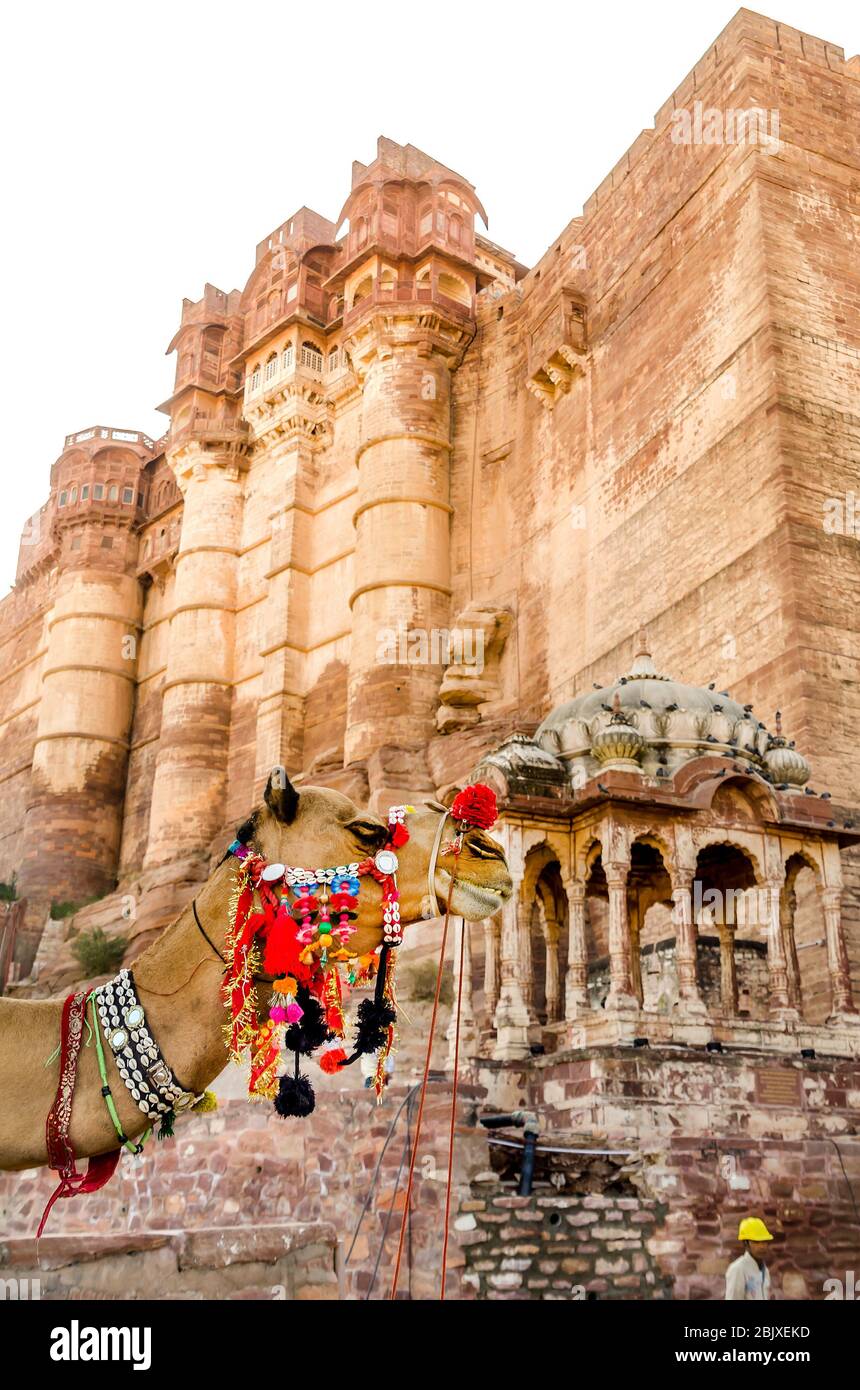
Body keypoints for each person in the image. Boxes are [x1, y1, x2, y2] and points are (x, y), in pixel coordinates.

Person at [725, 1217, 773, 1300]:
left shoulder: (765, 1270)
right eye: (756, 1242)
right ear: (745, 1243)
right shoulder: (738, 1269)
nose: (762, 1246)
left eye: (764, 1241)